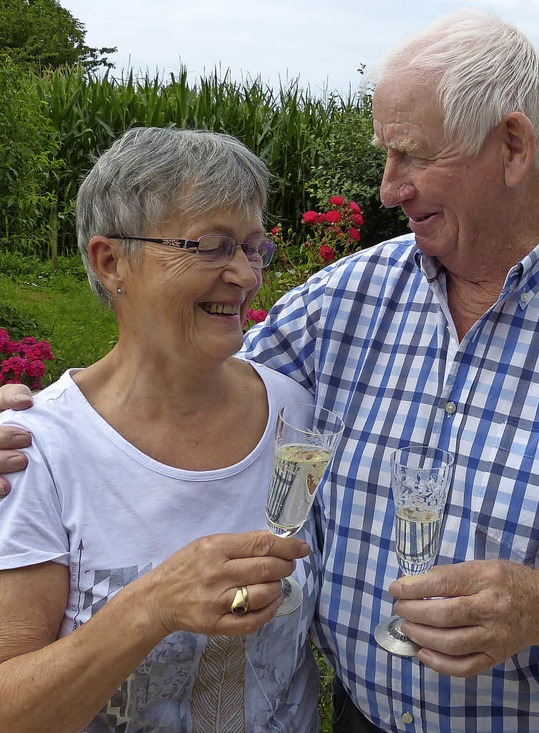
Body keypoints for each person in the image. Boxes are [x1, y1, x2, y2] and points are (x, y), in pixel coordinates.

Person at [1, 9, 539, 733]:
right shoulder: (346, 301)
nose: (387, 188)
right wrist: (40, 421)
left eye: (410, 155)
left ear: (513, 146)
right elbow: (172, 368)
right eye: (385, 156)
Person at [0, 126, 321, 732]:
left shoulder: (293, 416)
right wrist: (155, 604)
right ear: (111, 260)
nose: (246, 275)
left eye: (253, 247)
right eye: (211, 246)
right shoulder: (35, 450)